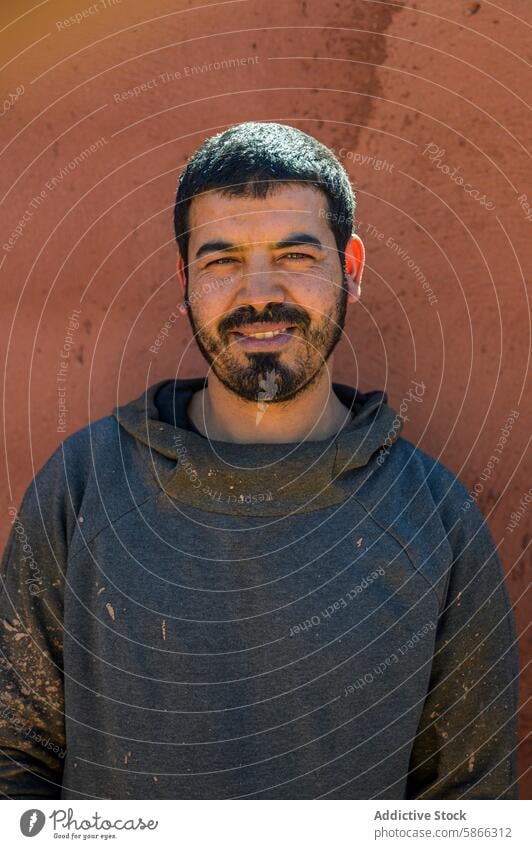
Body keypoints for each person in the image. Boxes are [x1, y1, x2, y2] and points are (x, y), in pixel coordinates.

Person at [0, 122, 519, 800]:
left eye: (296, 255)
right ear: (186, 282)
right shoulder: (83, 489)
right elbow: (14, 765)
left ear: (351, 270)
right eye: (222, 262)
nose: (259, 293)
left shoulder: (436, 519)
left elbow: (468, 810)